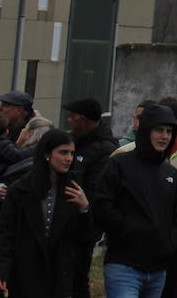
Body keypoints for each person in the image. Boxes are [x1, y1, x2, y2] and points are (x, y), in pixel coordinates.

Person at [92, 104, 177, 298]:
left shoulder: (170, 172)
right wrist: (126, 230)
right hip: (124, 266)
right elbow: (102, 205)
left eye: (169, 131)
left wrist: (170, 244)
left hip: (158, 269)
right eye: (159, 130)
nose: (165, 136)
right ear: (146, 131)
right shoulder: (119, 164)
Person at [0, 129, 95, 298]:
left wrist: (84, 209)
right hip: (26, 272)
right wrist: (1, 270)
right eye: (63, 152)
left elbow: (84, 238)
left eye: (72, 153)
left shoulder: (73, 191)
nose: (69, 158)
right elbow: (5, 233)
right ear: (47, 154)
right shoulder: (20, 189)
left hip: (62, 275)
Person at [63, 97, 117, 298]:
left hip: (84, 225)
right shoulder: (75, 141)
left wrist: (86, 211)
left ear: (83, 120)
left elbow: (98, 190)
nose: (68, 121)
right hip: (66, 222)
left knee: (77, 280)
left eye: (72, 117)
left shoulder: (104, 149)